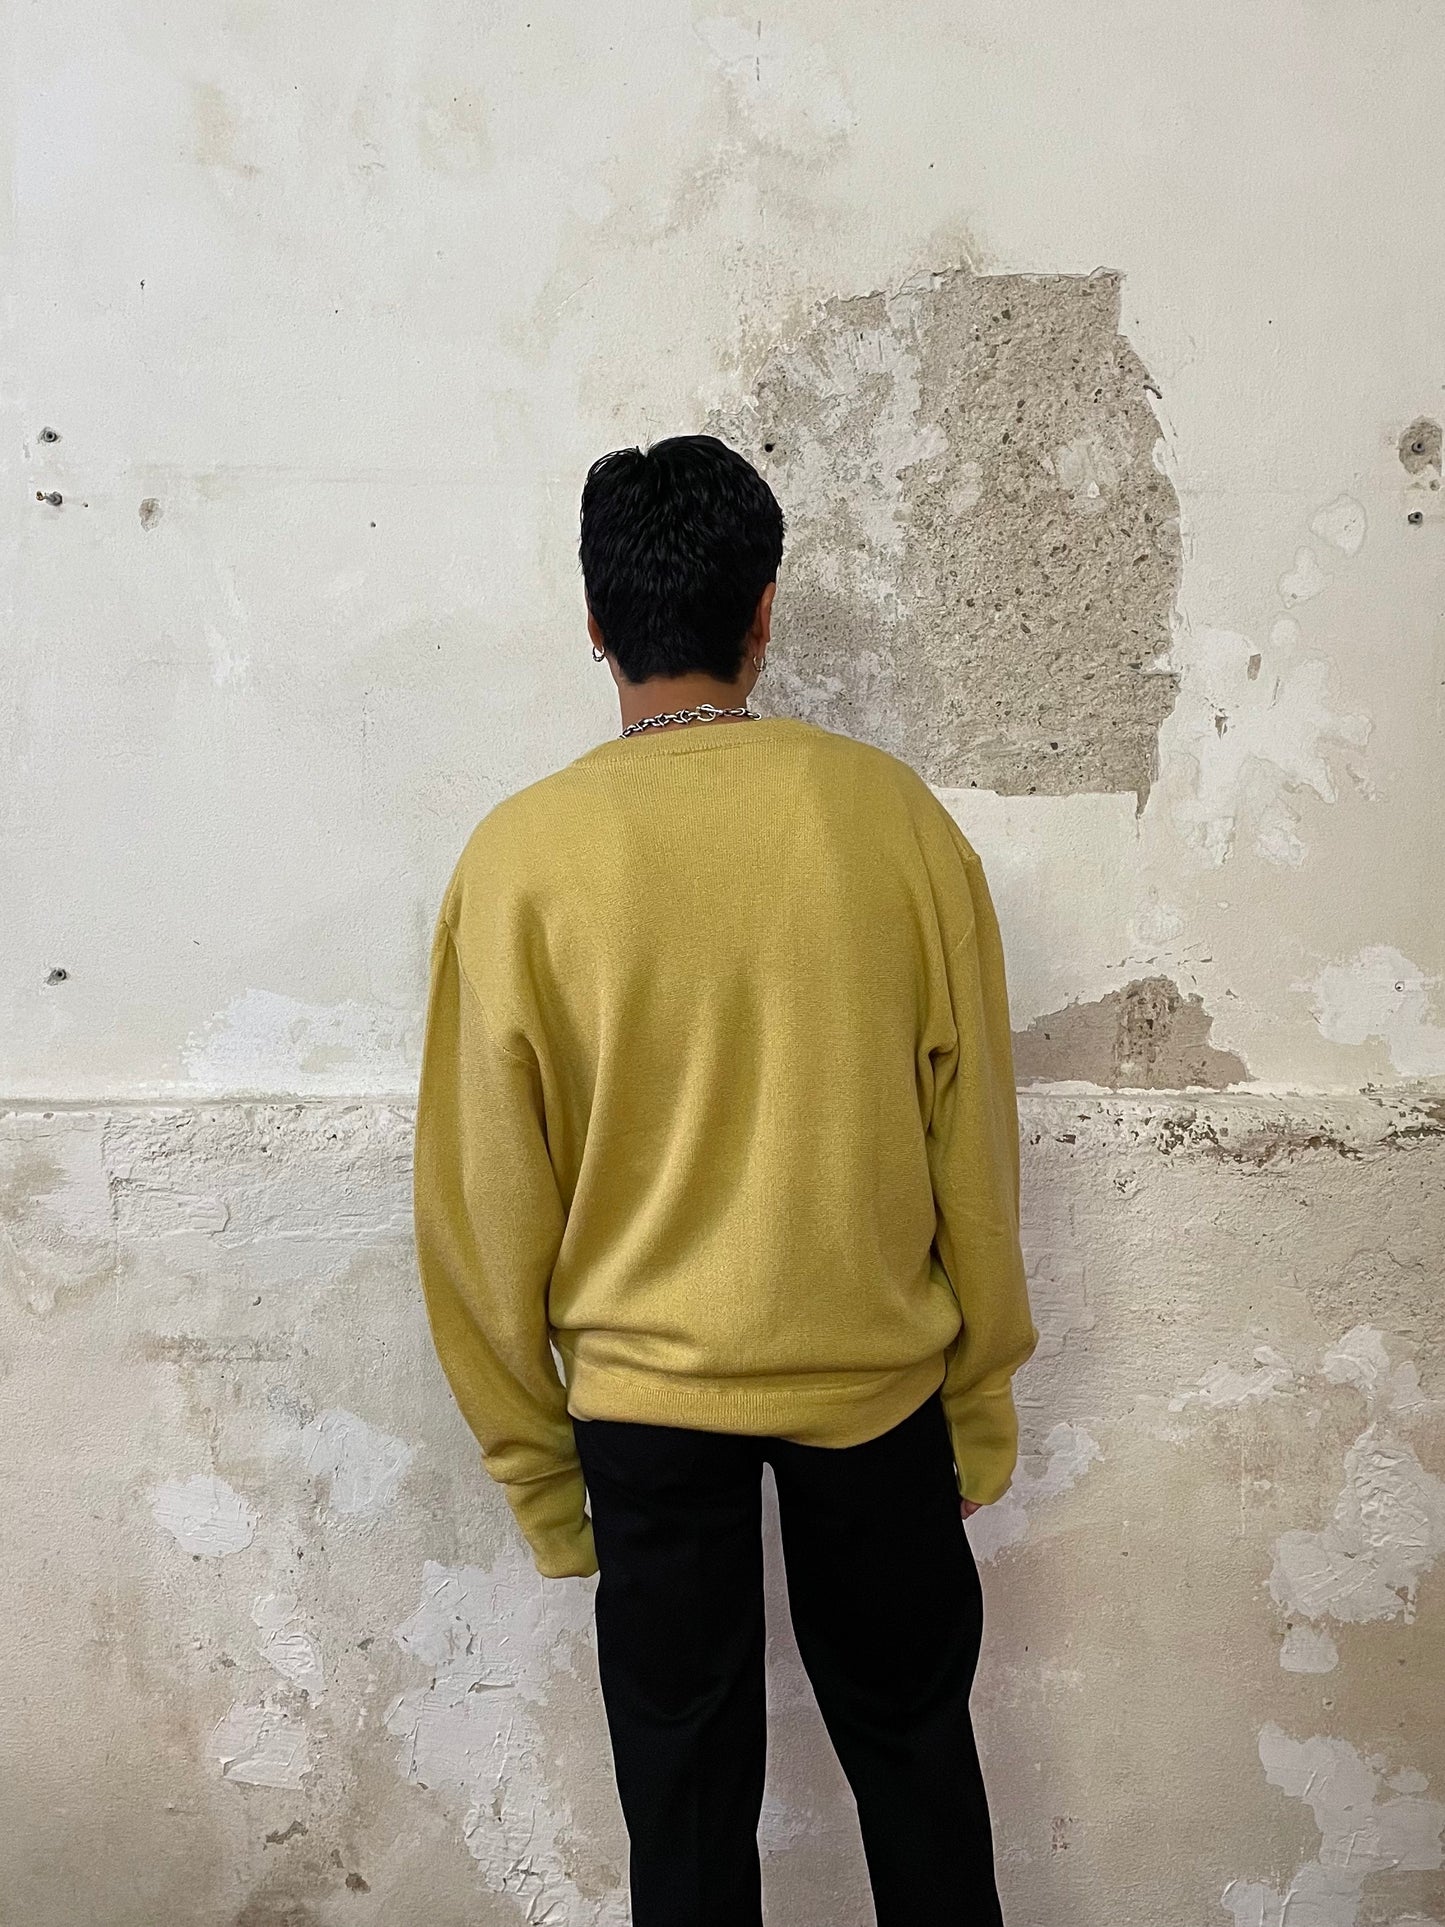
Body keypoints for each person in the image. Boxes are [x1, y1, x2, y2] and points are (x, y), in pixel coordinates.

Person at [412, 433, 1039, 1927]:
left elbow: (477, 1207)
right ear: (764, 611)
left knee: (684, 1820)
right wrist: (978, 1399)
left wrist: (537, 1470)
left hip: (641, 1411)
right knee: (917, 1765)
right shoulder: (893, 820)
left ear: (593, 620)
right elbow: (974, 1149)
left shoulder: (520, 860)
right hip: (875, 1390)